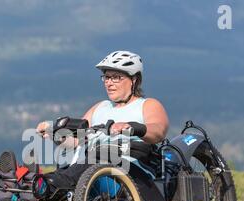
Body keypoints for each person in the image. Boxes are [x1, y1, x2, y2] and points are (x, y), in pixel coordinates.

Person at [34, 50, 170, 189]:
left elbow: (158, 131)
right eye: (106, 77)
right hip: (91, 169)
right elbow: (77, 141)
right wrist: (55, 134)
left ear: (133, 80)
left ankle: (47, 184)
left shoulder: (147, 104)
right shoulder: (100, 107)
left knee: (91, 161)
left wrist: (131, 127)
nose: (109, 83)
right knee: (76, 169)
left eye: (116, 77)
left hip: (131, 172)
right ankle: (23, 186)